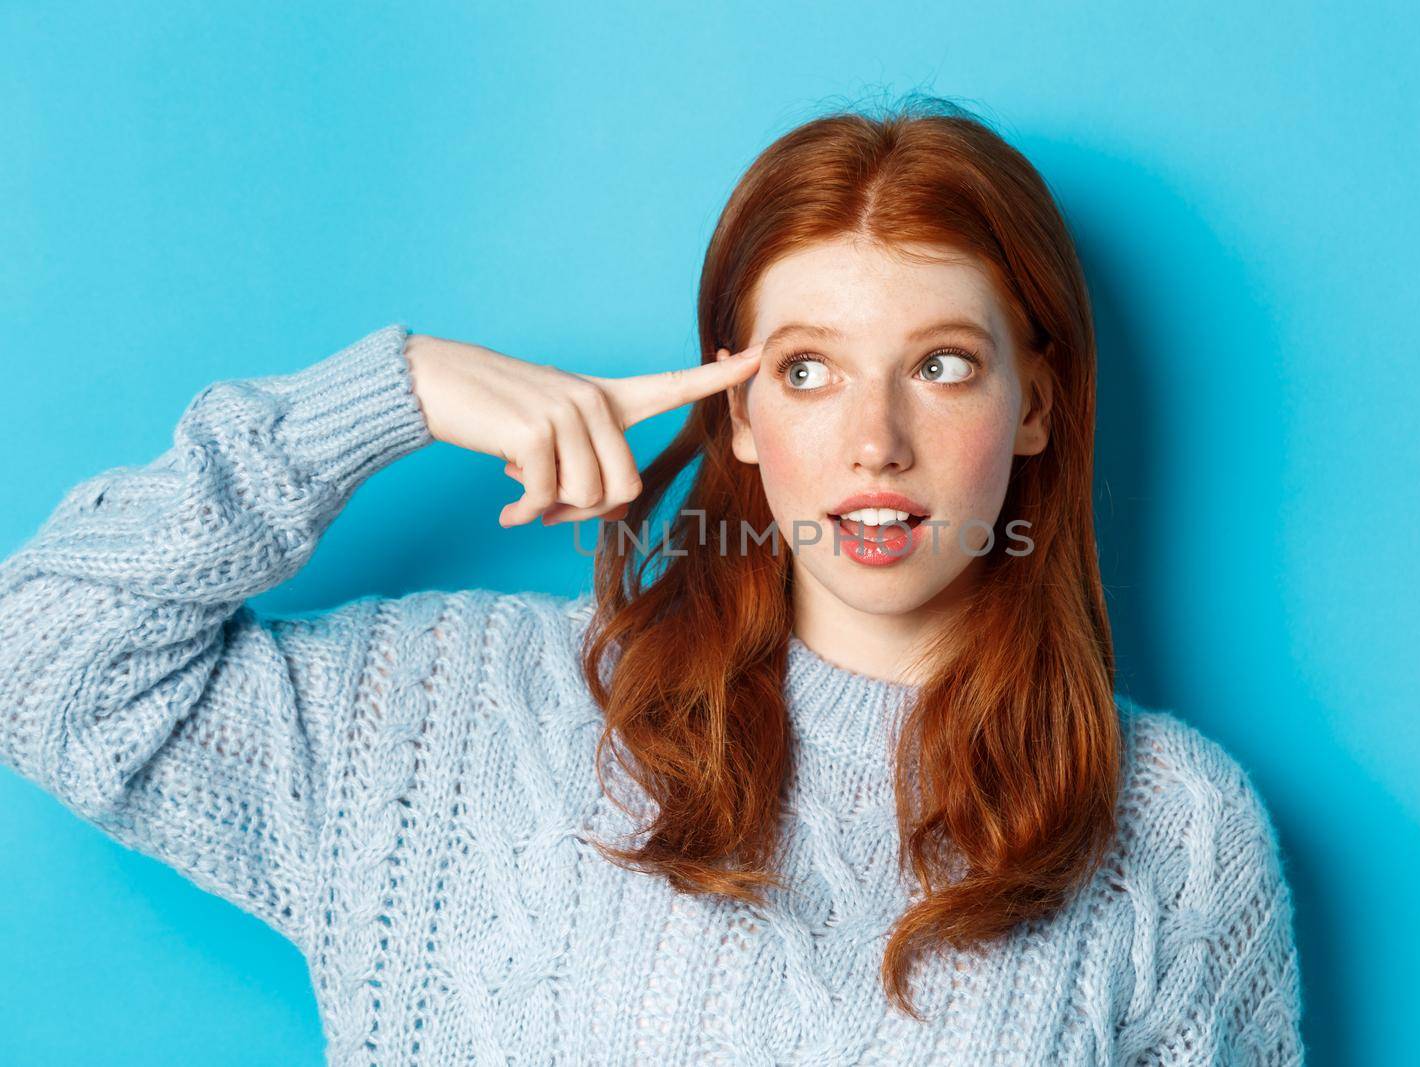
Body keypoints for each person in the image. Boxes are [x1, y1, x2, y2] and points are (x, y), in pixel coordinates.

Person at [0, 96, 1304, 1065]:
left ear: (1037, 405)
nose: (874, 441)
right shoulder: (461, 709)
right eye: (808, 369)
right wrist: (391, 395)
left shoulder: (1176, 834)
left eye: (945, 364)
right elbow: (43, 657)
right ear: (737, 412)